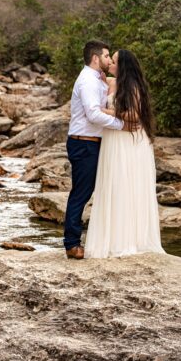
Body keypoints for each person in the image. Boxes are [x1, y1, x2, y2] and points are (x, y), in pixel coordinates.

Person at [84, 48, 165, 258]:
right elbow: (94, 84)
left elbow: (134, 115)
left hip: (128, 142)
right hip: (113, 140)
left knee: (126, 186)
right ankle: (109, 239)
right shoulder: (110, 82)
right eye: (110, 59)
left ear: (123, 66)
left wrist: (107, 112)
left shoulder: (133, 87)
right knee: (112, 185)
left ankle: (128, 240)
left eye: (114, 61)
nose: (110, 63)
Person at [64, 40, 125, 260]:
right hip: (84, 143)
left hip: (93, 142)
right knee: (81, 193)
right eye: (107, 56)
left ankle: (99, 239)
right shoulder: (87, 81)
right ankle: (71, 244)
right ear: (96, 58)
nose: (109, 60)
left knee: (92, 191)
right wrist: (122, 125)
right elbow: (93, 115)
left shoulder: (96, 79)